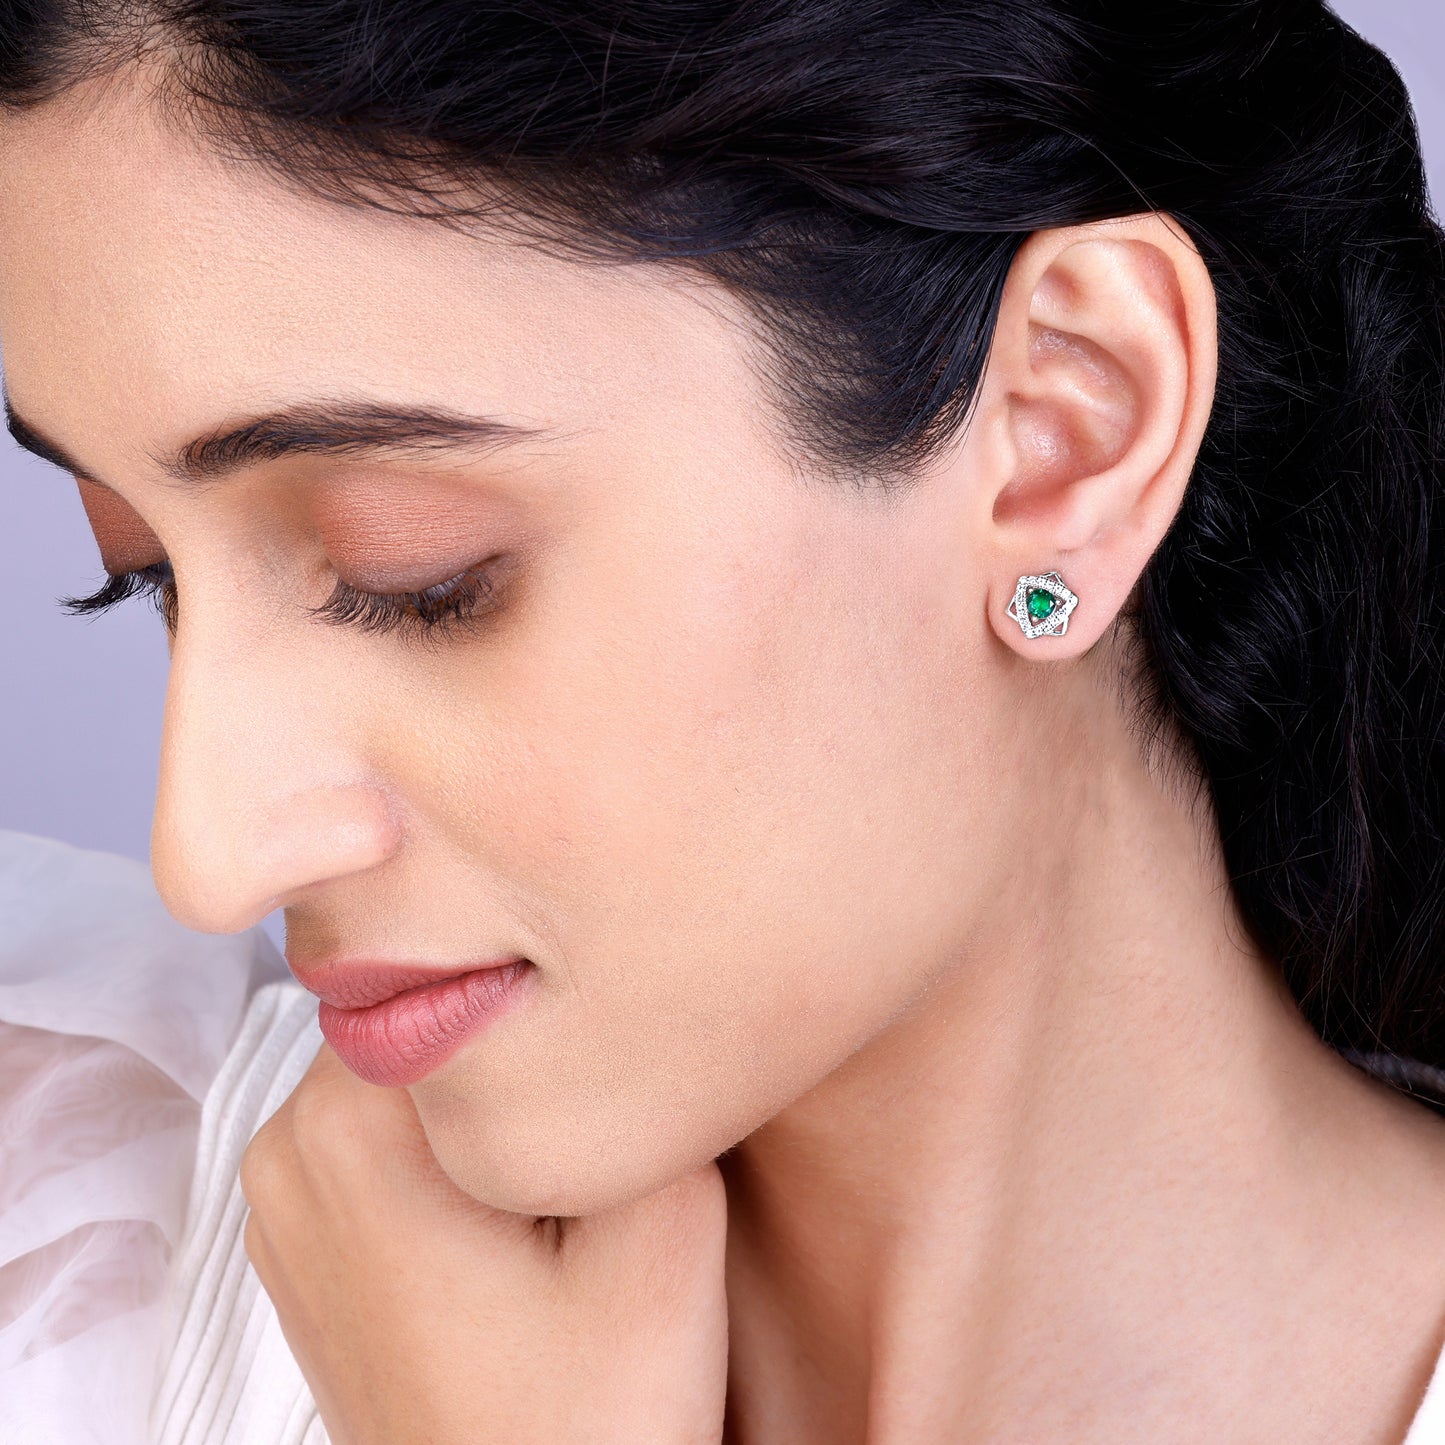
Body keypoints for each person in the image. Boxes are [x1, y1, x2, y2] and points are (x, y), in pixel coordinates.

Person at [4, 0, 1445, 1439]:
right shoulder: (62, 1231)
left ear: (1066, 434)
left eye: (418, 577)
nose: (207, 857)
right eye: (145, 576)